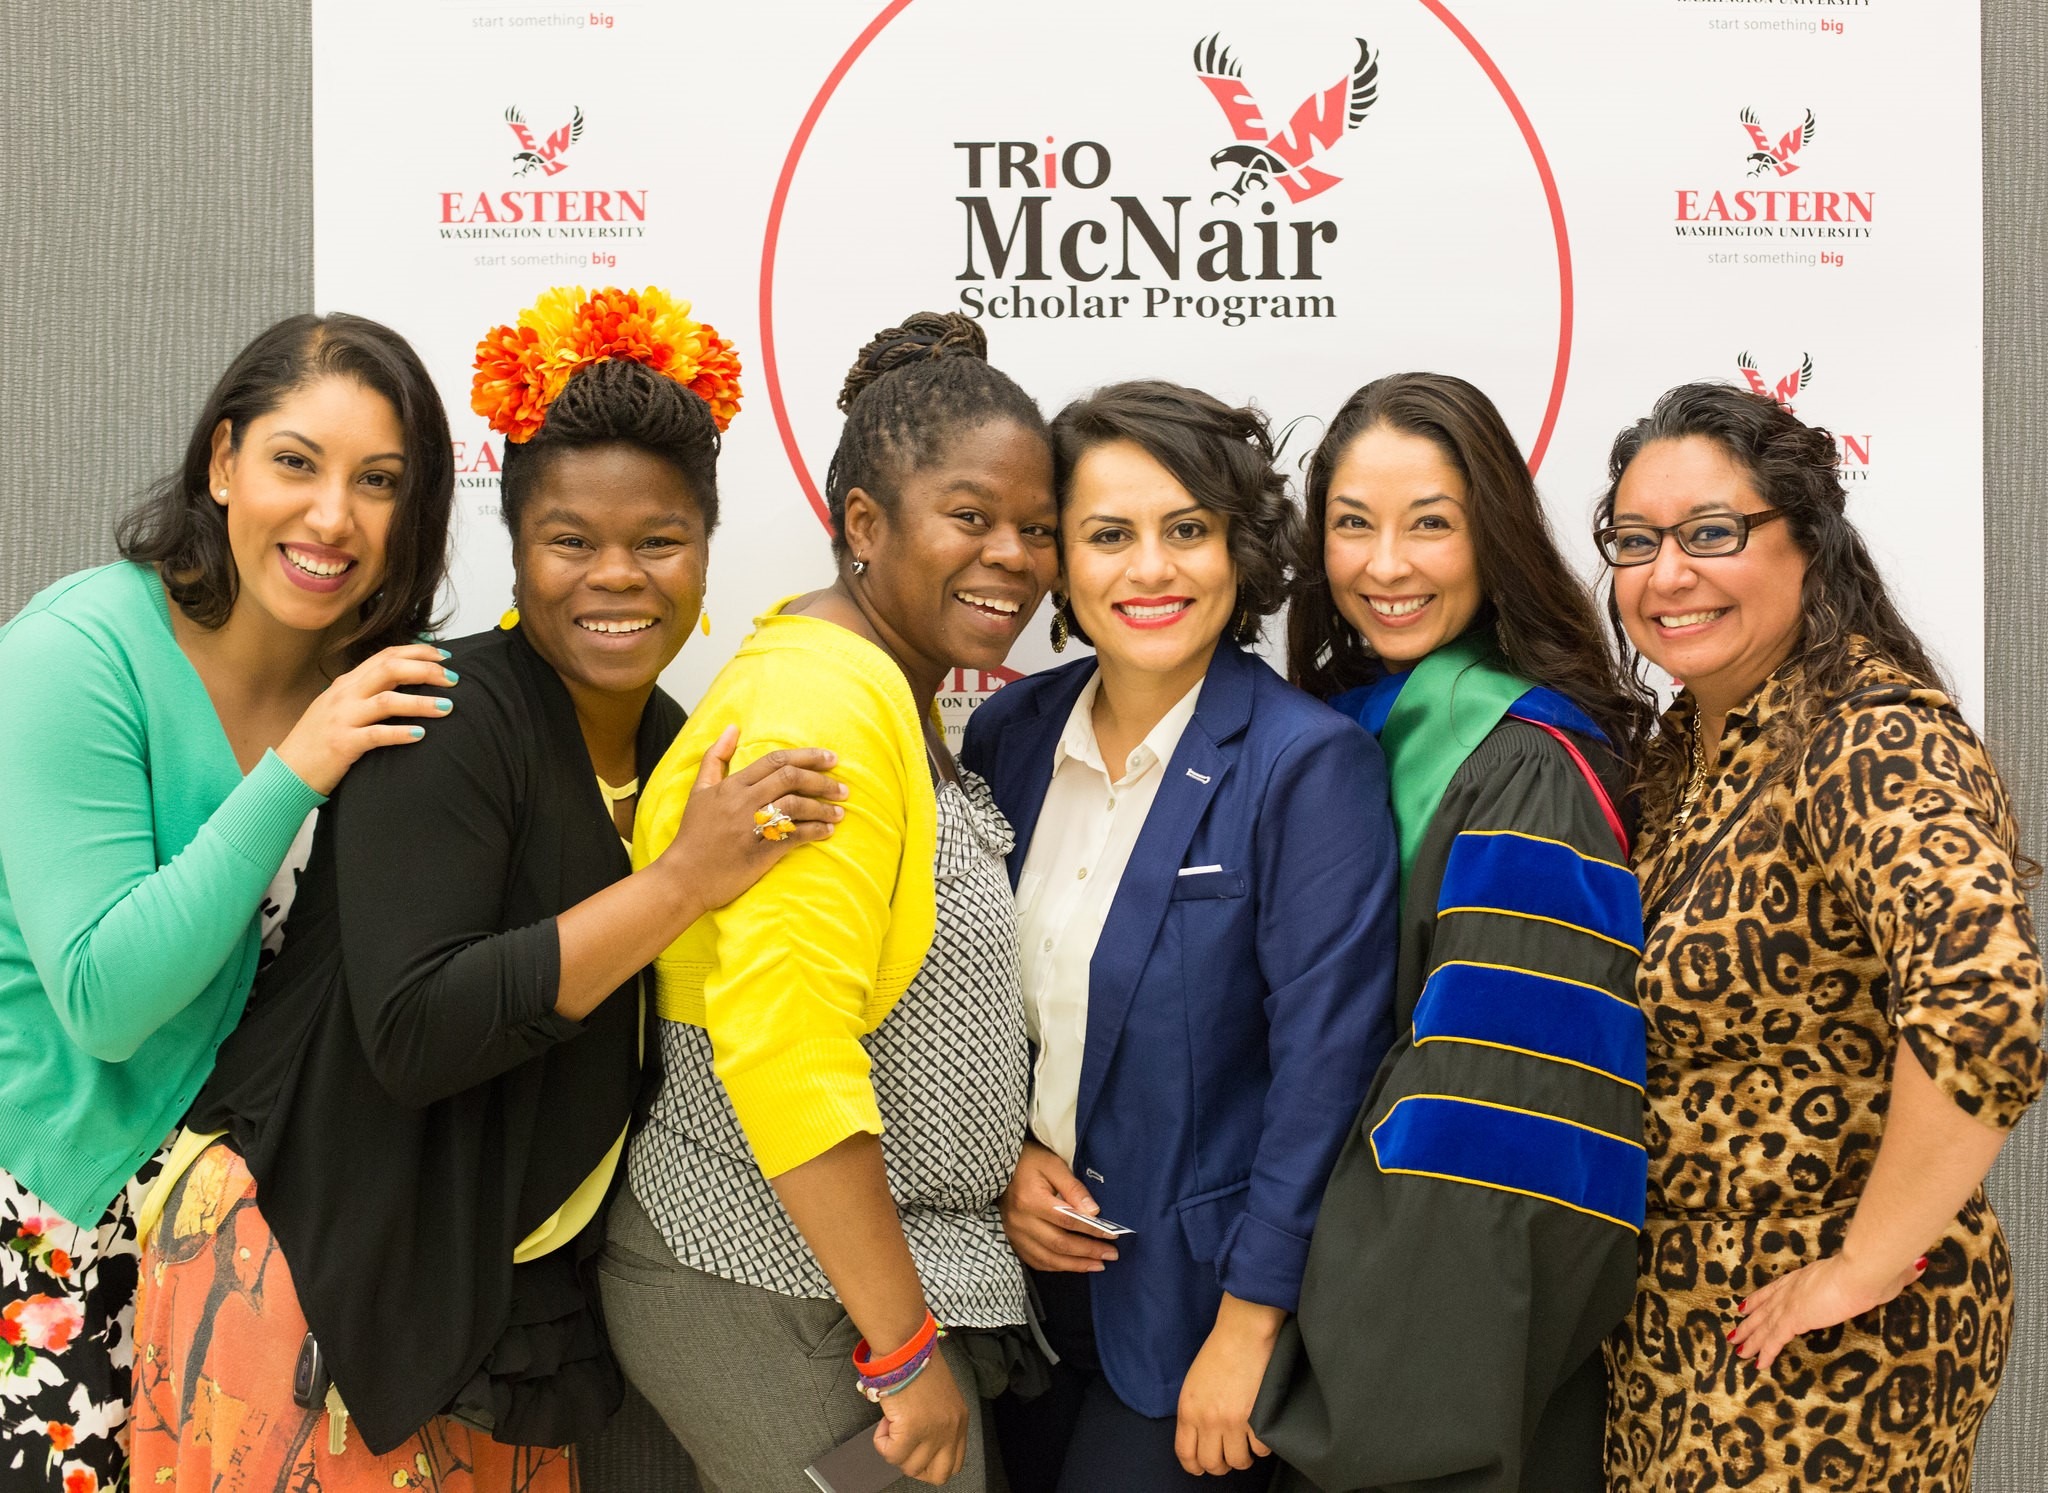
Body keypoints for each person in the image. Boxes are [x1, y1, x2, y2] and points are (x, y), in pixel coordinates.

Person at [129, 287, 843, 1491]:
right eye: (571, 541)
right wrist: (679, 882)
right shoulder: (446, 712)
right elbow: (415, 1027)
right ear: (514, 548)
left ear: (706, 548)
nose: (614, 577)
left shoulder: (681, 755)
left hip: (486, 1304)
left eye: (657, 541)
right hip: (311, 1269)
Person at [0, 313, 459, 1493]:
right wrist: (297, 766)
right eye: (294, 462)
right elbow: (106, 997)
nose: (330, 517)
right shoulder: (75, 652)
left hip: (252, 1250)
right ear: (222, 463)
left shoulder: (373, 681)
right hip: (61, 1231)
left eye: (378, 483)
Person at [603, 311, 1058, 1491]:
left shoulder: (878, 685)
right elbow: (788, 1046)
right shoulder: (820, 705)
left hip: (838, 1271)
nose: (1011, 554)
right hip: (769, 1274)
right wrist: (905, 1350)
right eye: (970, 516)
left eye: (1035, 527)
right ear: (865, 522)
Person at [1591, 383, 2043, 1492]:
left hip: (1827, 1348)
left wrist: (1862, 1263)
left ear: (1805, 540)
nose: (1665, 574)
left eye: (1710, 533)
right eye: (1633, 540)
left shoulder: (1868, 735)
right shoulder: (1677, 753)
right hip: (1672, 1327)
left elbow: (1985, 1005)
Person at [962, 380, 1399, 1492]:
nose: (1148, 569)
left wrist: (1250, 1326)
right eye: (1107, 535)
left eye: (1186, 530)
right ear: (1057, 558)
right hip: (1006, 1290)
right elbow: (956, 999)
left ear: (1237, 549)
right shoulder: (1011, 729)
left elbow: (1325, 1072)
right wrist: (1002, 1157)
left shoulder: (1305, 765)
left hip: (1194, 1317)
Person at [1252, 372, 1651, 1492]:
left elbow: (1493, 1128)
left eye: (1431, 522)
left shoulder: (1522, 765)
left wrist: (1342, 1389)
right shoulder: (1332, 730)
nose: (1385, 565)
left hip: (1411, 1377)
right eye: (1351, 524)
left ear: (1495, 537)